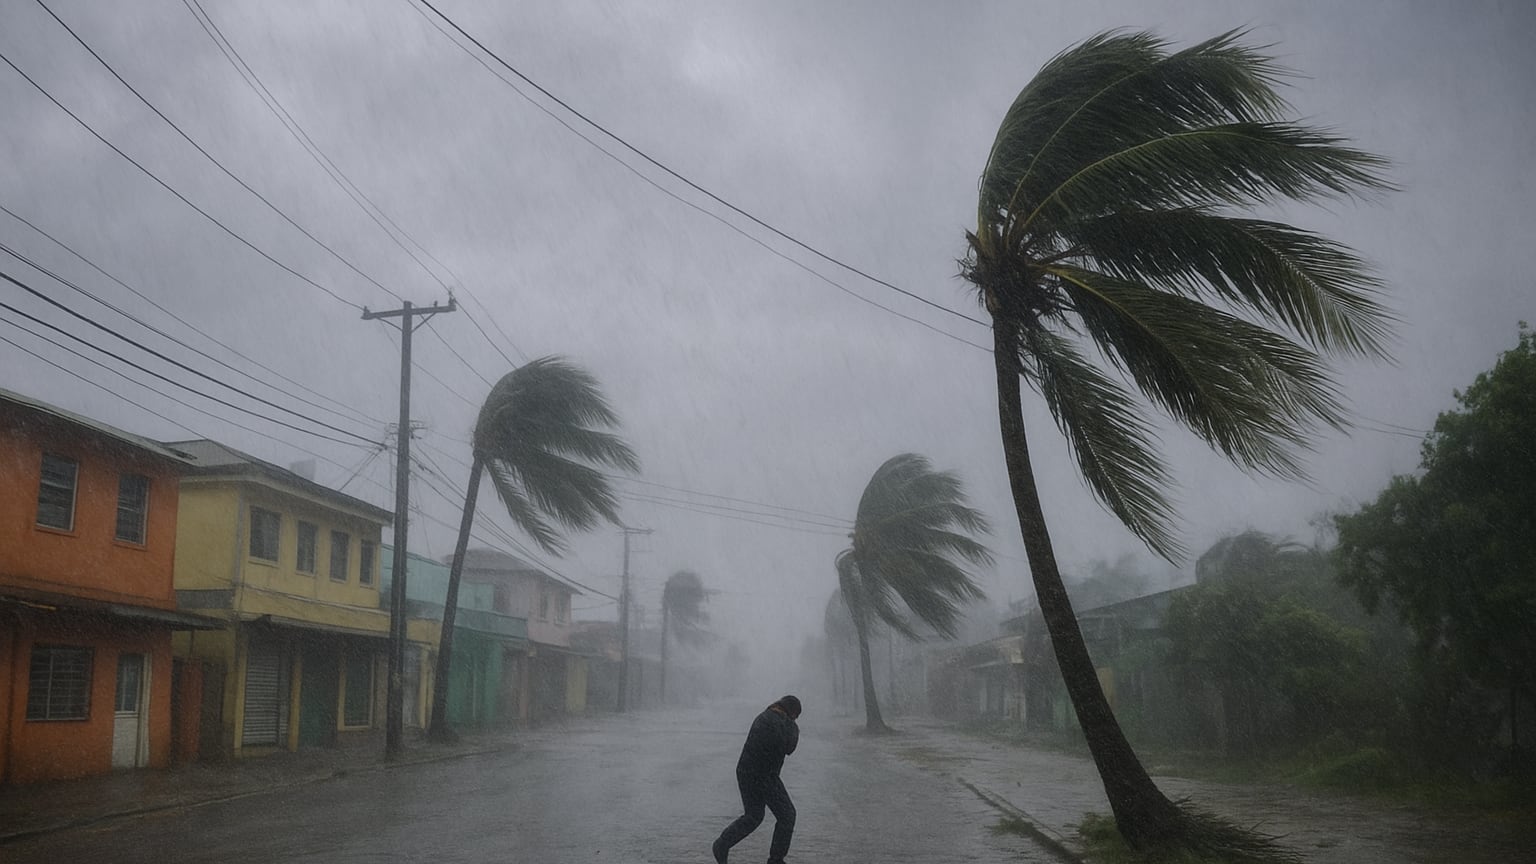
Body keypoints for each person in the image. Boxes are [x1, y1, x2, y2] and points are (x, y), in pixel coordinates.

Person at [712, 695, 802, 864]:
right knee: (787, 815)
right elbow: (788, 747)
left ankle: (722, 844)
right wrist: (793, 728)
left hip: (748, 772)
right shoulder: (775, 721)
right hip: (763, 775)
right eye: (796, 717)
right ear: (791, 711)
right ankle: (776, 860)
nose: (795, 720)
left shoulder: (768, 717)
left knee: (754, 816)